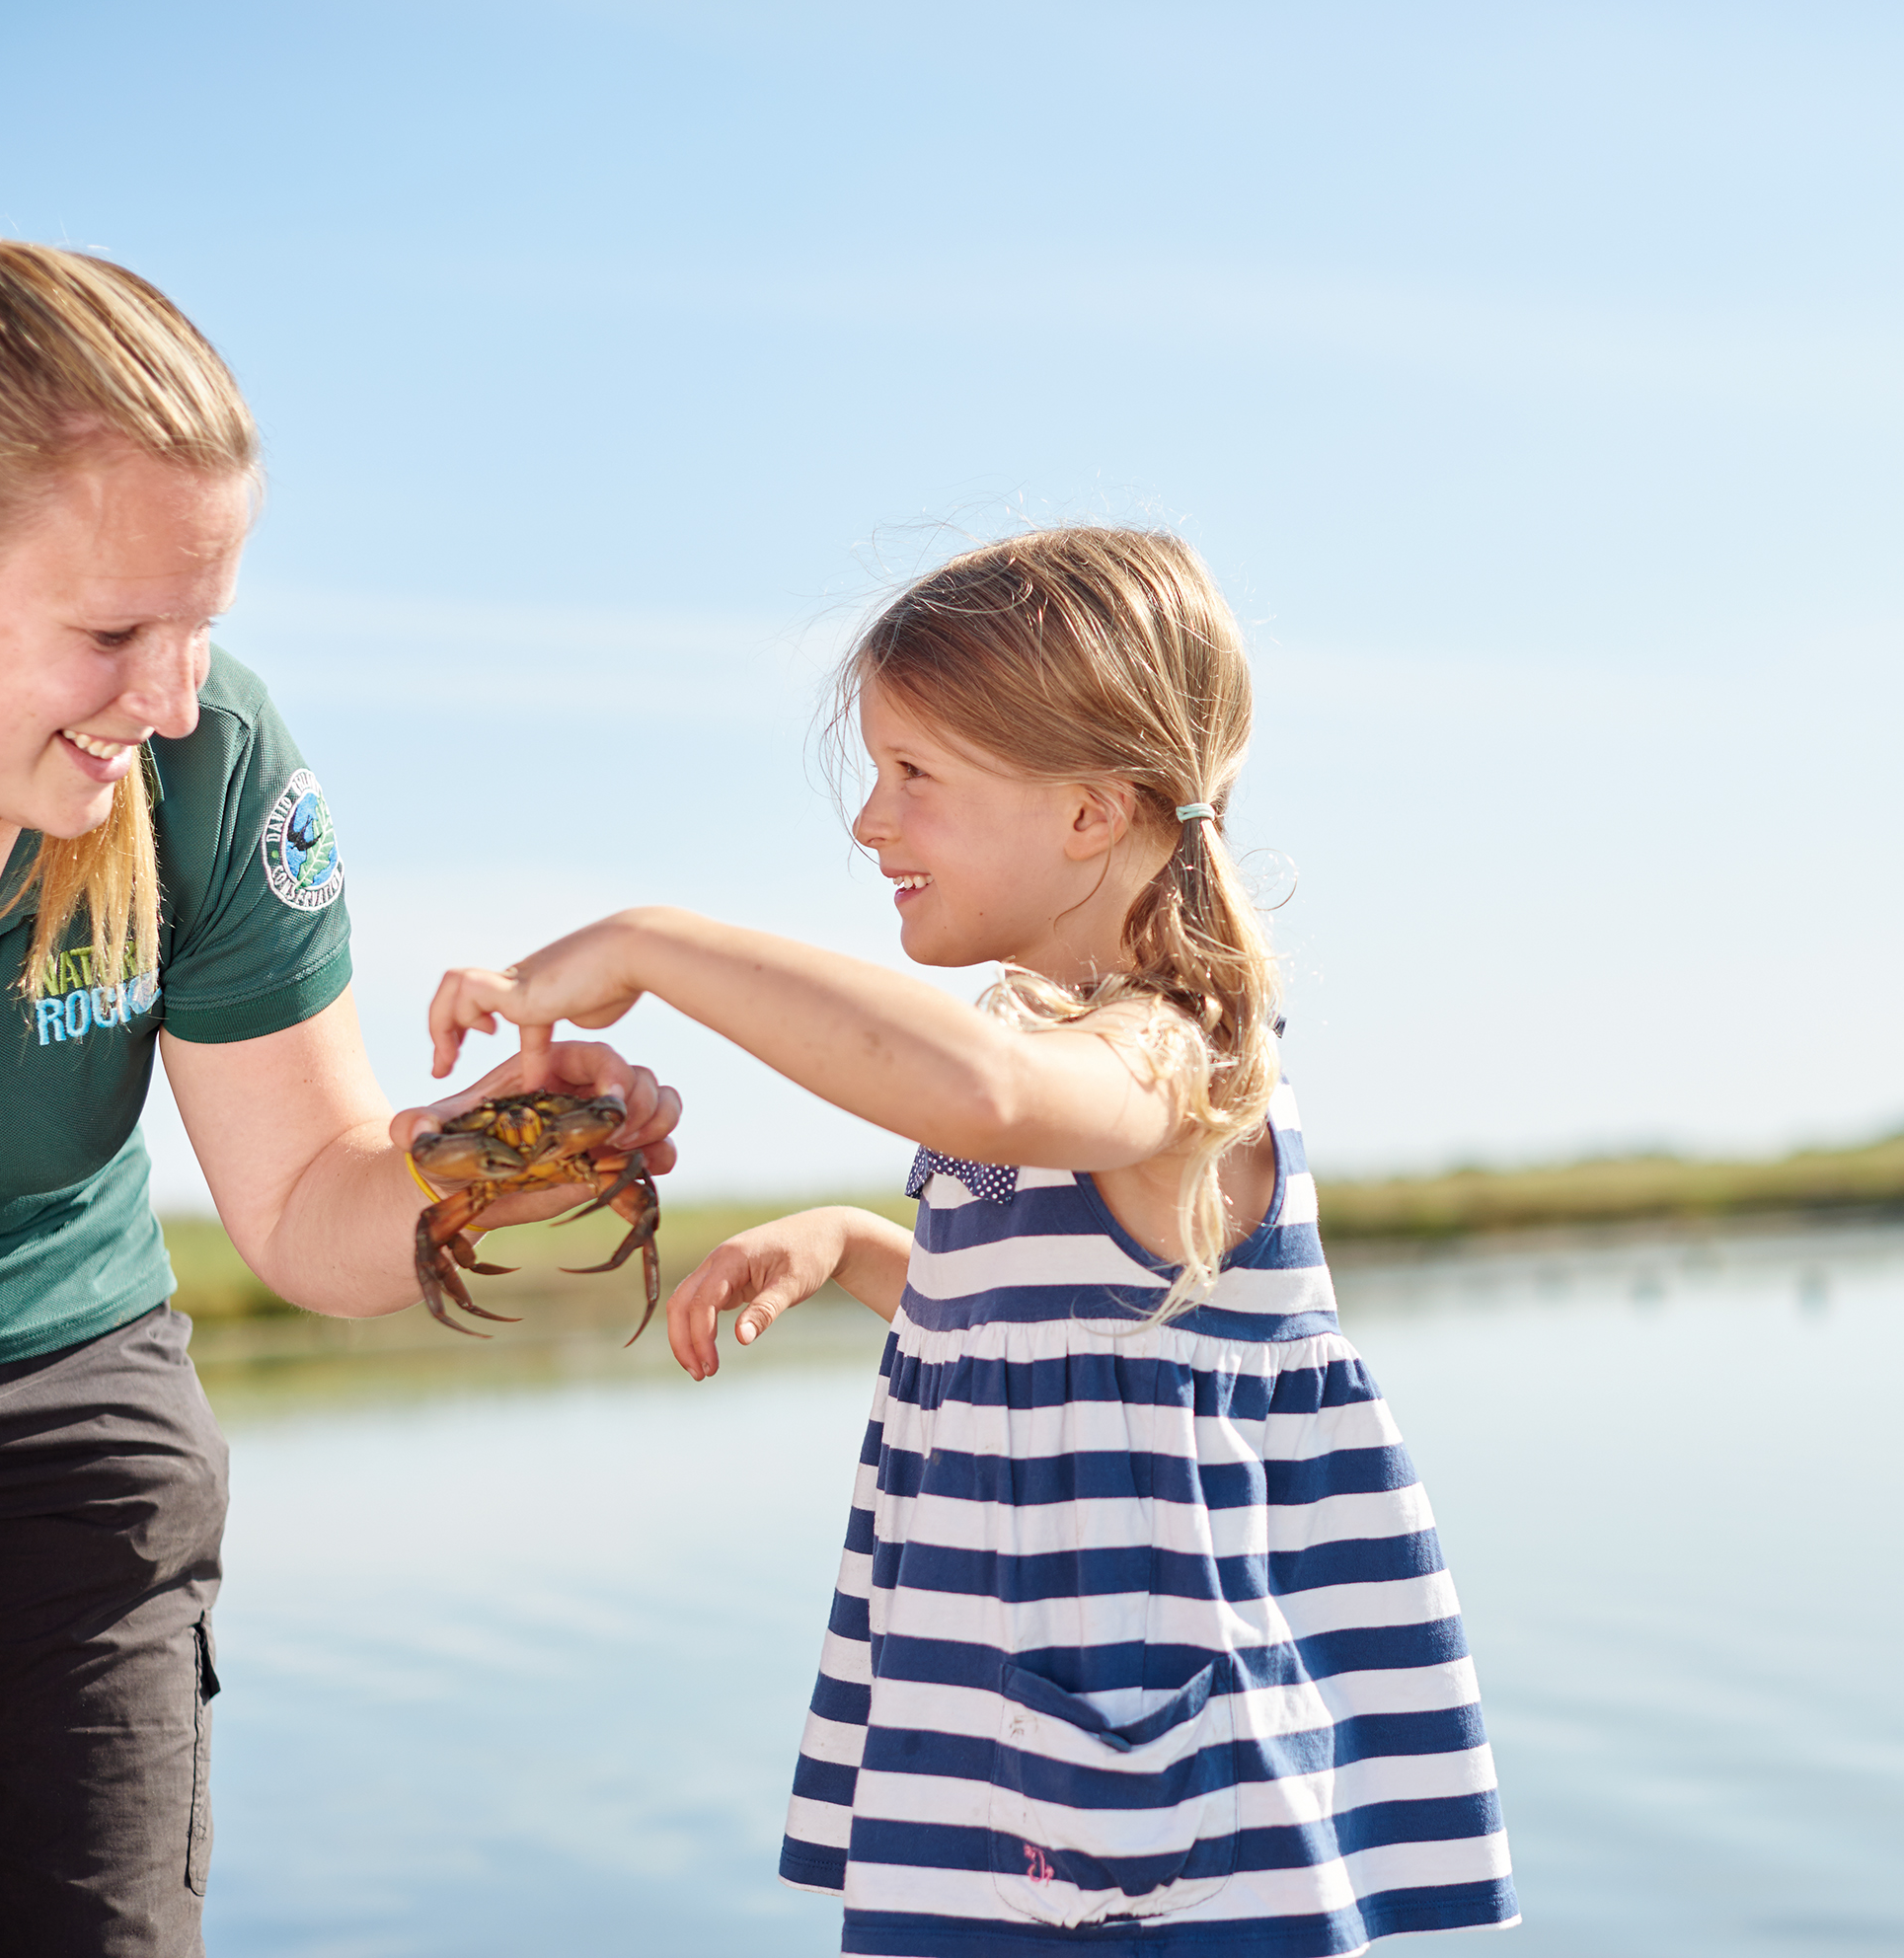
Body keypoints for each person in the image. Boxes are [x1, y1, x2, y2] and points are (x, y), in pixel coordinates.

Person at [0, 193, 678, 1958]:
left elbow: (312, 1205)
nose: (174, 697)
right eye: (112, 636)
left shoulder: (207, 761)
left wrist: (497, 1162)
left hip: (56, 1404)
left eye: (203, 622)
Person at [425, 528, 1516, 1955]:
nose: (872, 823)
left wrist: (653, 945)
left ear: (1087, 811)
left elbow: (987, 1099)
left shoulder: (1170, 1054)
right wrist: (855, 1246)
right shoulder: (1059, 1056)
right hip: (994, 1764)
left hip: (1142, 1822)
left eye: (916, 776)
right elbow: (1069, 1339)